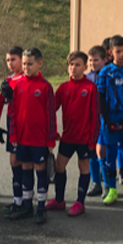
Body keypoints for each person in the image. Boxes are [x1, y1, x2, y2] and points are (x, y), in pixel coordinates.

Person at [6, 48, 57, 224]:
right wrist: (13, 134)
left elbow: (51, 114)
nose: (26, 67)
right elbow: (13, 112)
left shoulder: (45, 87)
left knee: (40, 172)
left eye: (30, 64)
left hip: (39, 139)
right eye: (25, 64)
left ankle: (41, 206)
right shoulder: (18, 85)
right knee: (26, 169)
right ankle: (27, 205)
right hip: (22, 139)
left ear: (39, 64)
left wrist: (51, 139)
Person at [47, 51, 99, 217]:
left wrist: (93, 140)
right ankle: (60, 200)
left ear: (85, 67)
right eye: (71, 65)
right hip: (68, 137)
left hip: (84, 138)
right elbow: (50, 109)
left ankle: (80, 202)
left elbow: (95, 116)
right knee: (59, 166)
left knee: (83, 167)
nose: (73, 68)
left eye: (77, 65)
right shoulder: (63, 88)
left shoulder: (90, 88)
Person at [96, 35, 123, 205]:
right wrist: (106, 119)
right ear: (111, 52)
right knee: (111, 154)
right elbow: (100, 97)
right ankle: (112, 189)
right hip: (110, 116)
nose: (122, 54)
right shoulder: (105, 72)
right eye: (118, 51)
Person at [0, 46, 26, 217]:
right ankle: (17, 199)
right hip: (12, 122)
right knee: (14, 162)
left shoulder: (26, 79)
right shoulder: (8, 80)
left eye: (13, 59)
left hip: (25, 123)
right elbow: (0, 103)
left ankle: (26, 199)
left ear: (22, 59)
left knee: (22, 161)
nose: (10, 63)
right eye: (7, 60)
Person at [85, 45, 106, 197]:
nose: (93, 63)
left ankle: (107, 181)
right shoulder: (87, 78)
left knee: (104, 152)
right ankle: (96, 182)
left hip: (106, 119)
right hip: (91, 121)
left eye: (96, 60)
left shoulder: (108, 75)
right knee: (92, 151)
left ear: (104, 60)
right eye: (91, 61)